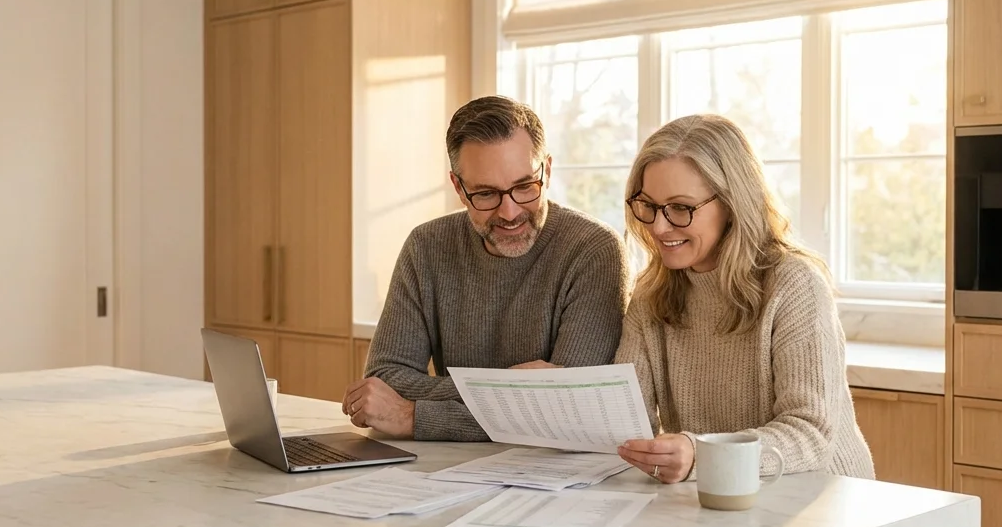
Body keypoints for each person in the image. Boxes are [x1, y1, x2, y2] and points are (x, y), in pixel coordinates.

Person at [342, 96, 630, 441]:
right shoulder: (427, 246)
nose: (509, 212)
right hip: (445, 465)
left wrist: (415, 416)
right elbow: (386, 379)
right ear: (459, 188)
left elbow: (567, 405)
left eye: (524, 187)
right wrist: (512, 390)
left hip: (554, 470)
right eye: (486, 194)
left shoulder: (593, 250)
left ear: (547, 171)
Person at [612, 114, 875, 483]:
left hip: (819, 495)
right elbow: (627, 419)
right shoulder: (652, 292)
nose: (658, 226)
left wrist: (700, 455)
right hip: (720, 495)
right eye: (649, 206)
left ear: (733, 204)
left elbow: (811, 434)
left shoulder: (794, 284)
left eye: (680, 209)